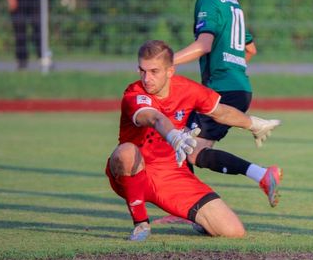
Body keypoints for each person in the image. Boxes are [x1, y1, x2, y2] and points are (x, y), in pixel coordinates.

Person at [106, 40, 281, 241]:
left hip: (171, 175)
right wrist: (174, 136)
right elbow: (155, 118)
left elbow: (221, 113)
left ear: (170, 71)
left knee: (233, 231)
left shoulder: (187, 89)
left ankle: (199, 220)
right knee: (126, 152)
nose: (147, 78)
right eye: (142, 71)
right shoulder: (134, 93)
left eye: (154, 71)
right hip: (135, 171)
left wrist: (253, 124)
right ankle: (141, 224)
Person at [173, 0, 282, 208]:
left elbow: (204, 45)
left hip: (221, 90)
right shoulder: (232, 3)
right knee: (186, 144)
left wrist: (166, 62)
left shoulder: (208, 1)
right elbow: (251, 49)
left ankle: (257, 177)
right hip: (238, 87)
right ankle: (191, 207)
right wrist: (233, 69)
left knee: (187, 148)